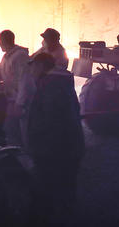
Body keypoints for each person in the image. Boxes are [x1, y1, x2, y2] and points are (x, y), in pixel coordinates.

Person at [24, 53, 84, 225]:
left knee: (47, 190)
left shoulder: (49, 87)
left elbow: (50, 121)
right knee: (66, 190)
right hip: (71, 148)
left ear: (42, 67)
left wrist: (39, 147)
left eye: (34, 66)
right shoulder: (62, 83)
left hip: (54, 151)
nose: (32, 70)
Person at [0, 30, 29, 145]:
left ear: (4, 41)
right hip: (12, 99)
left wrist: (20, 103)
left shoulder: (20, 56)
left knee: (21, 130)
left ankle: (25, 157)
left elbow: (24, 80)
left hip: (20, 100)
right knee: (11, 129)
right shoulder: (7, 57)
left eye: (0, 41)